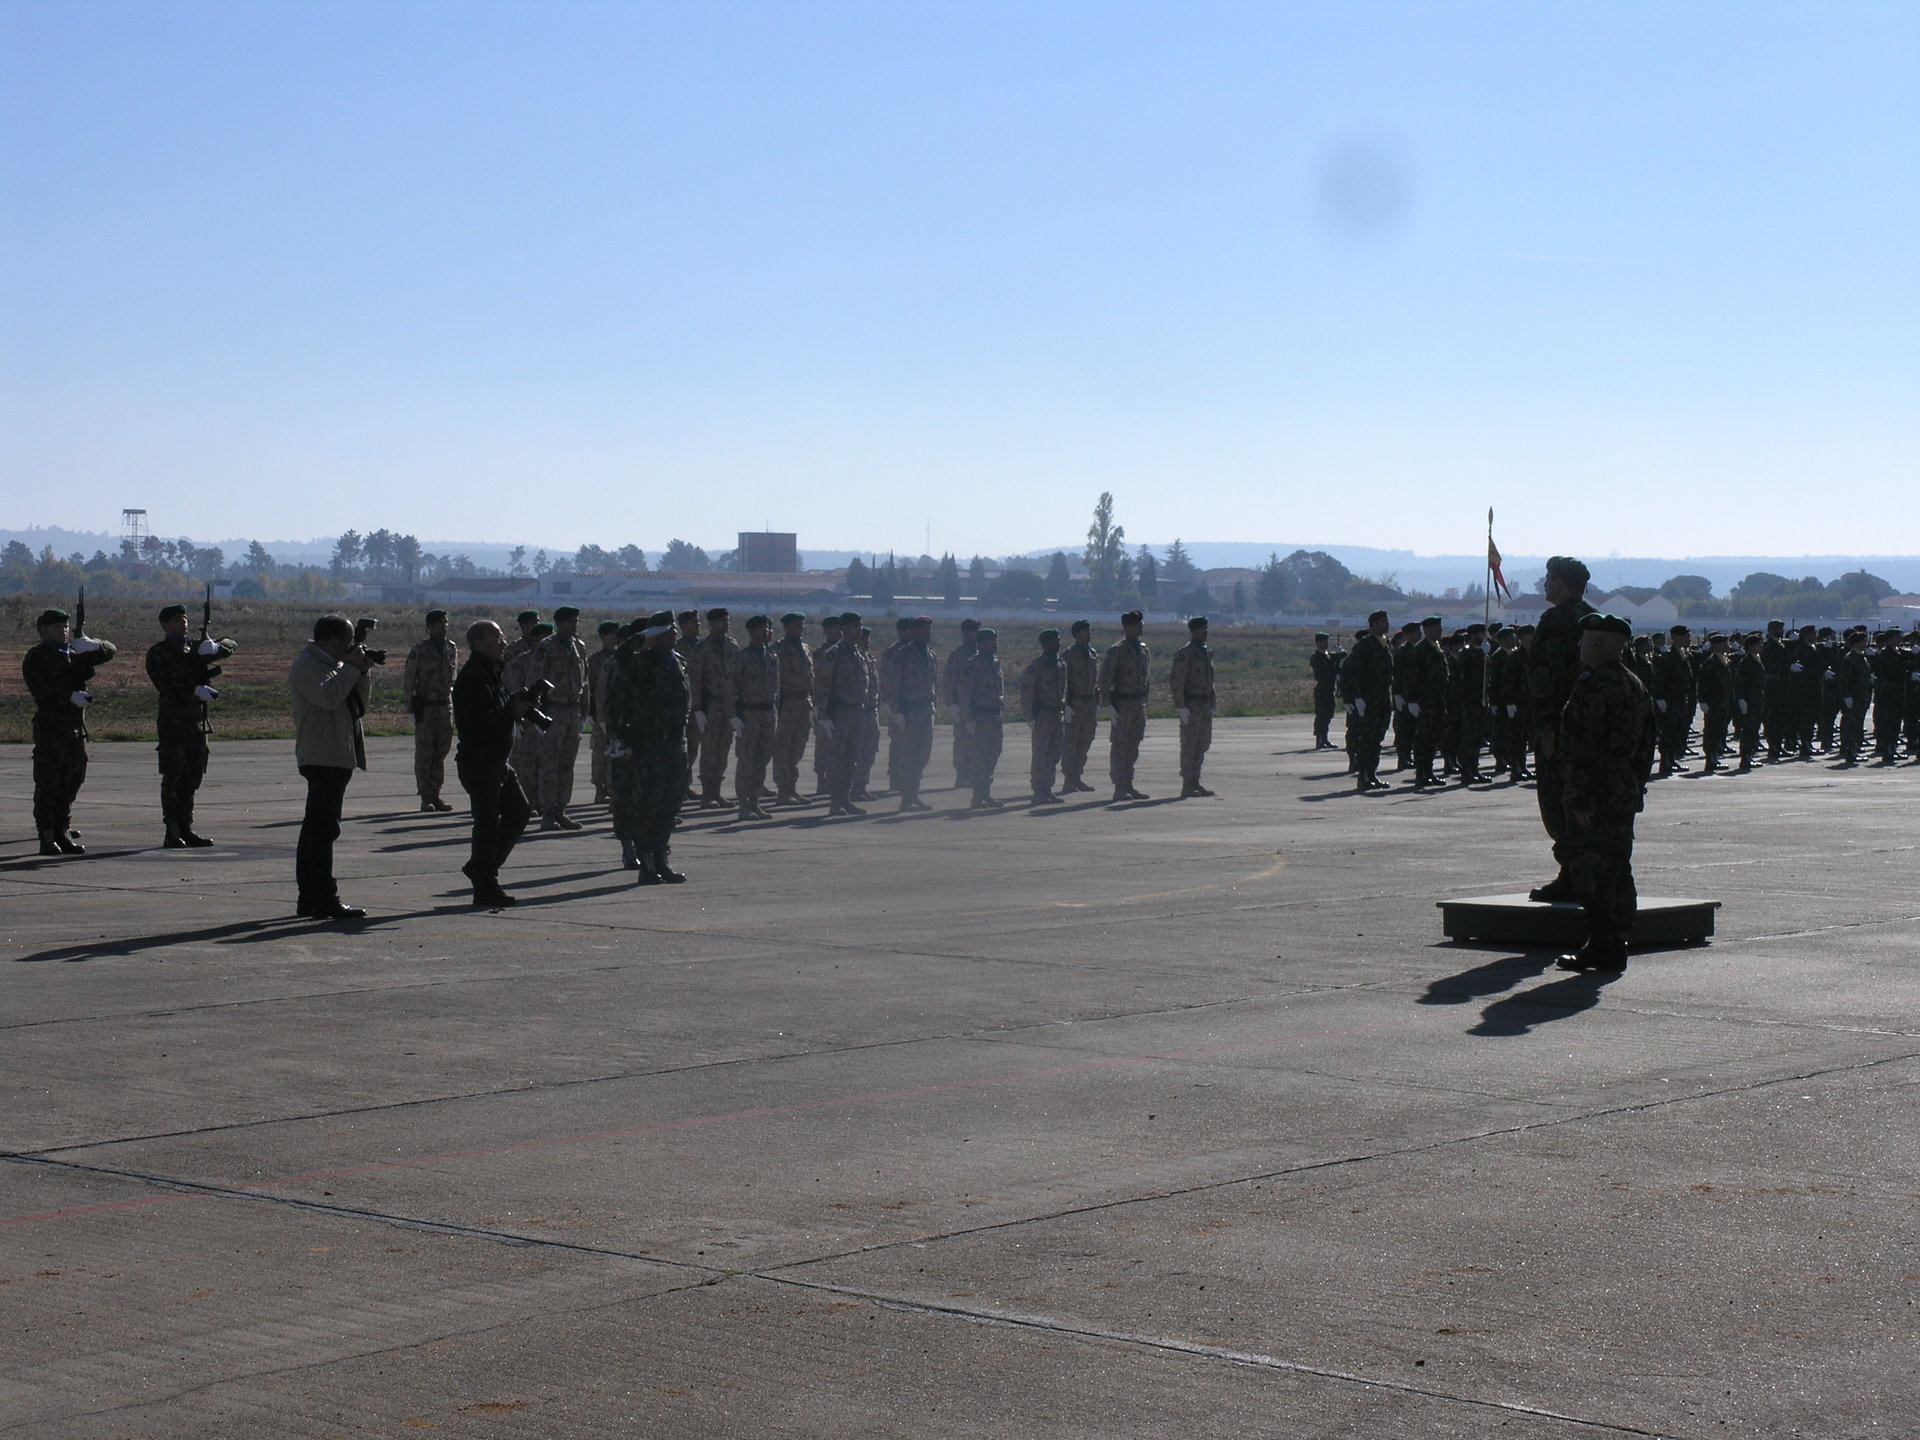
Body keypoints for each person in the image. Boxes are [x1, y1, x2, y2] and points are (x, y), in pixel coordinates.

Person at [1555, 613, 1656, 974]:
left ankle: (1602, 944)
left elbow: (1584, 744)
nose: (1579, 645)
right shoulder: (1634, 683)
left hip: (1595, 792)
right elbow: (1647, 744)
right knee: (1617, 866)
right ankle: (1616, 941)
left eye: (1584, 640)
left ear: (1598, 643)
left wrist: (1582, 796)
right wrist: (1633, 784)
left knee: (1591, 869)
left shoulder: (1595, 685)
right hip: (1621, 788)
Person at [287, 613, 375, 919]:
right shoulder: (308, 665)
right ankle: (324, 897)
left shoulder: (335, 665)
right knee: (324, 830)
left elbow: (358, 706)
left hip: (337, 752)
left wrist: (361, 672)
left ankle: (309, 897)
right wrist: (350, 668)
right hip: (321, 754)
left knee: (315, 829)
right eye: (347, 641)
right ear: (333, 641)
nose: (351, 647)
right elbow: (328, 697)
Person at [1527, 556, 1598, 901]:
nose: (1545, 584)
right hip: (1589, 726)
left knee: (1558, 802)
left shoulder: (1555, 621)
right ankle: (1585, 871)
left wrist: (1545, 728)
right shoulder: (1595, 620)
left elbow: (1544, 678)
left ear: (1560, 584)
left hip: (1559, 725)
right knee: (1586, 800)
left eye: (1548, 578)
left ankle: (1572, 873)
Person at [23, 606, 117, 856]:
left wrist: (94, 644)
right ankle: (47, 835)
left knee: (70, 782)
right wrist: (69, 697)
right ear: (43, 630)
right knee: (48, 784)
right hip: (51, 730)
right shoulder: (36, 657)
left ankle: (62, 830)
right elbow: (42, 691)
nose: (63, 630)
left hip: (75, 730)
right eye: (57, 626)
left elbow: (110, 651)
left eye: (65, 626)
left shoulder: (74, 653)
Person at [452, 620, 533, 907]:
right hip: (480, 762)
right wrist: (510, 711)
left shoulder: (491, 672)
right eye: (496, 638)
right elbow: (478, 724)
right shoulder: (472, 677)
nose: (503, 642)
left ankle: (480, 867)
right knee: (486, 823)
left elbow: (497, 708)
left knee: (519, 811)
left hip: (498, 762)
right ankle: (485, 885)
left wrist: (516, 704)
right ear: (477, 643)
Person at [607, 612, 690, 882]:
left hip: (676, 744)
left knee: (671, 805)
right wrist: (640, 638)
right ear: (655, 635)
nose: (674, 634)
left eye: (674, 630)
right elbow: (618, 662)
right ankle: (648, 865)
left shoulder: (679, 662)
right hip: (650, 745)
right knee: (648, 806)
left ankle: (662, 859)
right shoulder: (640, 661)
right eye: (667, 630)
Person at [145, 601, 236, 847]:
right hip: (173, 723)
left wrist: (217, 646)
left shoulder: (196, 648)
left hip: (196, 723)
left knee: (193, 776)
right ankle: (172, 829)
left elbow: (231, 645)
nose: (183, 623)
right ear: (165, 625)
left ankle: (186, 827)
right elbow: (165, 685)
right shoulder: (158, 653)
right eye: (177, 620)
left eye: (184, 619)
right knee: (173, 776)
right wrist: (194, 690)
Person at [531, 606, 589, 829]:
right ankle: (547, 812)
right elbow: (535, 681)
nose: (575, 625)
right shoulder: (546, 647)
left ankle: (561, 810)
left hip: (572, 712)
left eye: (576, 621)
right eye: (570, 621)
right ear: (559, 623)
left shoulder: (579, 646)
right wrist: (536, 716)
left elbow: (584, 682)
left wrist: (585, 711)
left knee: (567, 764)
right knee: (549, 764)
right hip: (553, 711)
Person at [402, 609, 458, 813]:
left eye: (445, 622)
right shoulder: (420, 649)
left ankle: (436, 792)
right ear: (429, 627)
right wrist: (410, 709)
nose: (444, 626)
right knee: (425, 752)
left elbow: (453, 678)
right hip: (426, 706)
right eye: (439, 623)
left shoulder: (451, 648)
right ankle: (426, 796)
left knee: (441, 751)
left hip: (444, 706)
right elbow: (410, 679)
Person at [882, 615, 938, 811]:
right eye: (923, 629)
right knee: (908, 755)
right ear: (913, 632)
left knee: (922, 755)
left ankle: (913, 795)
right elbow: (892, 684)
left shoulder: (930, 655)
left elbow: (934, 683)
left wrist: (935, 705)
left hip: (925, 710)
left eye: (929, 629)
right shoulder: (902, 654)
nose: (927, 633)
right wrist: (895, 711)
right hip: (909, 711)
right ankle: (907, 797)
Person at [728, 614, 781, 819]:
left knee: (763, 759)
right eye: (762, 628)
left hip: (768, 714)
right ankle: (744, 805)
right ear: (751, 631)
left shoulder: (772, 656)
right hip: (749, 714)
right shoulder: (742, 658)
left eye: (768, 628)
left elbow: (777, 688)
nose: (766, 632)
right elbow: (731, 688)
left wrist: (776, 712)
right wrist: (733, 716)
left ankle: (755, 802)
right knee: (746, 761)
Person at [816, 611, 869, 815]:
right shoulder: (834, 653)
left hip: (857, 713)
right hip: (840, 713)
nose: (859, 630)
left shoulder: (859, 653)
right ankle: (835, 802)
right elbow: (823, 684)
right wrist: (823, 715)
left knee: (852, 758)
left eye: (860, 626)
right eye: (855, 626)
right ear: (844, 628)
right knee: (837, 759)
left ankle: (845, 798)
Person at [1098, 610, 1151, 801]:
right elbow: (1104, 679)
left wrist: (1145, 701)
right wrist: (1108, 705)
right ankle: (1119, 786)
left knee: (1133, 746)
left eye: (1141, 623)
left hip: (1138, 703)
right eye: (1137, 624)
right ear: (1128, 627)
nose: (1141, 627)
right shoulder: (1117, 650)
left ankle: (1129, 784)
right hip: (1122, 704)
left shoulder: (1143, 649)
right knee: (1120, 746)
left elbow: (1146, 679)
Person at [1340, 610, 1394, 792]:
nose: (1386, 624)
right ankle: (1363, 776)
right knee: (1367, 740)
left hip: (1383, 699)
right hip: (1369, 700)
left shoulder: (1386, 644)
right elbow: (1351, 672)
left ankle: (1372, 774)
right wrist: (1355, 697)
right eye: (1382, 621)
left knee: (1377, 739)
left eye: (1386, 621)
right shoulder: (1364, 645)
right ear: (1373, 624)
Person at [690, 608, 739, 808]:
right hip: (710, 705)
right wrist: (697, 708)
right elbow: (695, 680)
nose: (726, 624)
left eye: (727, 620)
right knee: (709, 749)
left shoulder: (732, 646)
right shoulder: (703, 648)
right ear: (712, 624)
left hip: (728, 706)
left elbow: (737, 677)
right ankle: (707, 794)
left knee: (723, 748)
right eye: (722, 621)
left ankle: (717, 792)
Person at [956, 626, 1005, 808]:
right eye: (992, 641)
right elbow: (964, 694)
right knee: (979, 757)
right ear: (982, 643)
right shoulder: (972, 665)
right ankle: (977, 796)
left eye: (995, 641)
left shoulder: (995, 663)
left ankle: (986, 793)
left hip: (994, 716)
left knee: (993, 754)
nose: (995, 644)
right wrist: (968, 719)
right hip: (980, 717)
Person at [1169, 615, 1217, 798]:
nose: (1206, 631)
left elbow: (1210, 681)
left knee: (1202, 743)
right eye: (1202, 628)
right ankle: (1187, 784)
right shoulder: (1186, 653)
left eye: (1206, 628)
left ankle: (1196, 781)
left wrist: (1212, 703)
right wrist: (1180, 706)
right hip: (1191, 704)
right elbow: (1177, 681)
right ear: (1194, 631)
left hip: (1204, 704)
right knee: (1189, 744)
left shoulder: (1206, 652)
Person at [1019, 627, 1068, 804]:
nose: (1058, 643)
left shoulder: (1061, 664)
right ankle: (1038, 791)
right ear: (1045, 644)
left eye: (1059, 640)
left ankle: (1048, 789)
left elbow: (1064, 689)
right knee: (1040, 754)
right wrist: (1029, 717)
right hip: (1043, 716)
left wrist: (1066, 707)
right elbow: (1027, 693)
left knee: (1054, 754)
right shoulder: (1036, 666)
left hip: (1057, 714)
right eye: (1055, 640)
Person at [1400, 616, 1449, 789]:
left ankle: (1429, 771)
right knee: (1423, 739)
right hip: (1424, 703)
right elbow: (1410, 677)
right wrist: (1412, 700)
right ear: (1427, 630)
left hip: (1437, 702)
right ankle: (1421, 774)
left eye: (1440, 627)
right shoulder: (1419, 650)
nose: (1440, 630)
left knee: (1433, 739)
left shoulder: (1437, 648)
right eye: (1436, 627)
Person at [771, 612, 815, 804]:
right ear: (787, 626)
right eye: (797, 624)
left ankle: (792, 787)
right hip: (786, 703)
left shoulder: (805, 648)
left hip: (803, 703)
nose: (801, 627)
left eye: (802, 624)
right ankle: (783, 789)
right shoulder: (778, 649)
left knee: (798, 747)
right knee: (783, 747)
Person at [1060, 620, 1100, 793]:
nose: (1089, 633)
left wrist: (1097, 702)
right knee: (1071, 743)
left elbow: (1095, 681)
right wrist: (1066, 705)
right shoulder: (1069, 655)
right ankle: (1068, 780)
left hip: (1089, 703)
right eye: (1085, 631)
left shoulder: (1092, 653)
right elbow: (1063, 682)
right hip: (1075, 703)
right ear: (1076, 634)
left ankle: (1077, 777)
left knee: (1085, 742)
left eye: (1090, 630)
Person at [942, 618, 982, 790]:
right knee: (962, 742)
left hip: (979, 706)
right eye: (973, 631)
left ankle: (975, 775)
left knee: (978, 743)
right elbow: (949, 681)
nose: (976, 634)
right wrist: (951, 704)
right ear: (965, 633)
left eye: (977, 630)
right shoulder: (957, 655)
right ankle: (961, 775)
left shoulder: (982, 653)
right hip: (962, 706)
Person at [1651, 625, 1696, 776]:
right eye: (1686, 636)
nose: (1688, 639)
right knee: (1668, 733)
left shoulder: (1685, 657)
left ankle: (1671, 760)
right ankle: (1666, 762)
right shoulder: (1667, 658)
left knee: (1677, 732)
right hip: (1669, 702)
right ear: (1676, 638)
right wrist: (1659, 698)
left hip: (1680, 701)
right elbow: (1658, 680)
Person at [586, 619, 622, 802]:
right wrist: (590, 713)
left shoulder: (620, 657)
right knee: (600, 752)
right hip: (600, 714)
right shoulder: (596, 660)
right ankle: (600, 789)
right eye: (613, 634)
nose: (616, 637)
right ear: (603, 637)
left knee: (614, 752)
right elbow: (589, 687)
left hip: (615, 714)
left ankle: (612, 787)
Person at [810, 614, 844, 796]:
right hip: (824, 705)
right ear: (827, 630)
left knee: (838, 746)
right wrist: (820, 711)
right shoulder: (821, 653)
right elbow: (819, 682)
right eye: (835, 627)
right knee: (823, 744)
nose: (839, 631)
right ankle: (821, 780)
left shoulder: (845, 651)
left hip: (841, 707)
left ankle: (836, 780)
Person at [1832, 628, 1874, 767]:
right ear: (1856, 643)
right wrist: (1846, 696)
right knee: (1851, 724)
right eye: (1863, 641)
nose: (1865, 643)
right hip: (1854, 696)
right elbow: (1843, 679)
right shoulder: (1850, 657)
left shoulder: (1860, 656)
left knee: (1857, 724)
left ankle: (1853, 750)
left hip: (1861, 695)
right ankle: (1850, 751)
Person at [1694, 632, 1734, 772]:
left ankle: (1714, 757)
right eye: (1724, 643)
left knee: (1719, 730)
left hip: (1722, 702)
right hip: (1713, 703)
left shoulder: (1723, 659)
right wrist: (1702, 700)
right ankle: (1710, 758)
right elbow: (1703, 682)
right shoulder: (1711, 662)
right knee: (1711, 730)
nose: (1727, 645)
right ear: (1716, 645)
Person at [1731, 632, 1767, 772]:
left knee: (1754, 729)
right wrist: (1741, 699)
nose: (1761, 646)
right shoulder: (1746, 662)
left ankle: (1749, 755)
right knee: (1748, 730)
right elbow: (1739, 682)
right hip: (1749, 700)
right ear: (1751, 647)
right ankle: (1745, 757)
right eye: (1758, 644)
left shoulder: (1757, 659)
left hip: (1756, 700)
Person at [1308, 631, 1342, 749]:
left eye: (1326, 641)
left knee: (1328, 714)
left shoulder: (1328, 655)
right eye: (1323, 641)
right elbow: (1324, 672)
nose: (1326, 643)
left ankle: (1325, 738)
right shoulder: (1316, 657)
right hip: (1322, 689)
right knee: (1321, 715)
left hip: (1329, 689)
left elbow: (1338, 662)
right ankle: (1320, 739)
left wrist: (1339, 653)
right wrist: (1335, 658)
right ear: (1317, 643)